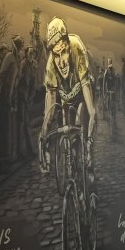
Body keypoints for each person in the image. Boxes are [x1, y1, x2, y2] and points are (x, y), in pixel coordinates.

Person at [38, 16, 97, 174]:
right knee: (67, 134)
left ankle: (88, 164)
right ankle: (72, 165)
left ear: (68, 47)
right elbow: (48, 115)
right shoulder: (51, 64)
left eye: (63, 52)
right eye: (56, 55)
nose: (61, 62)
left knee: (79, 123)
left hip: (81, 90)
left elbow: (92, 111)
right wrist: (43, 143)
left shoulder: (77, 48)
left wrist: (89, 142)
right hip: (66, 96)